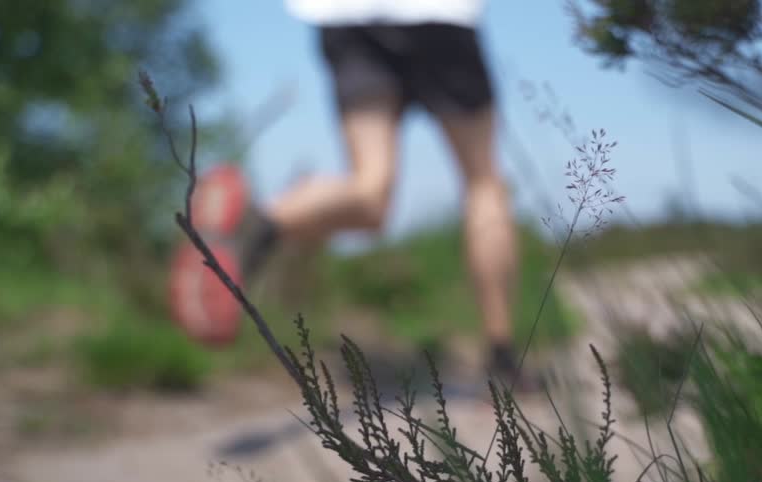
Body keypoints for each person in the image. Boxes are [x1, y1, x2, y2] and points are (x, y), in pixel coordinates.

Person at [169, 0, 536, 391]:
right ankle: (502, 359)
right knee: (483, 183)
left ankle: (257, 227)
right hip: (440, 17)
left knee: (370, 192)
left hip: (348, 17)